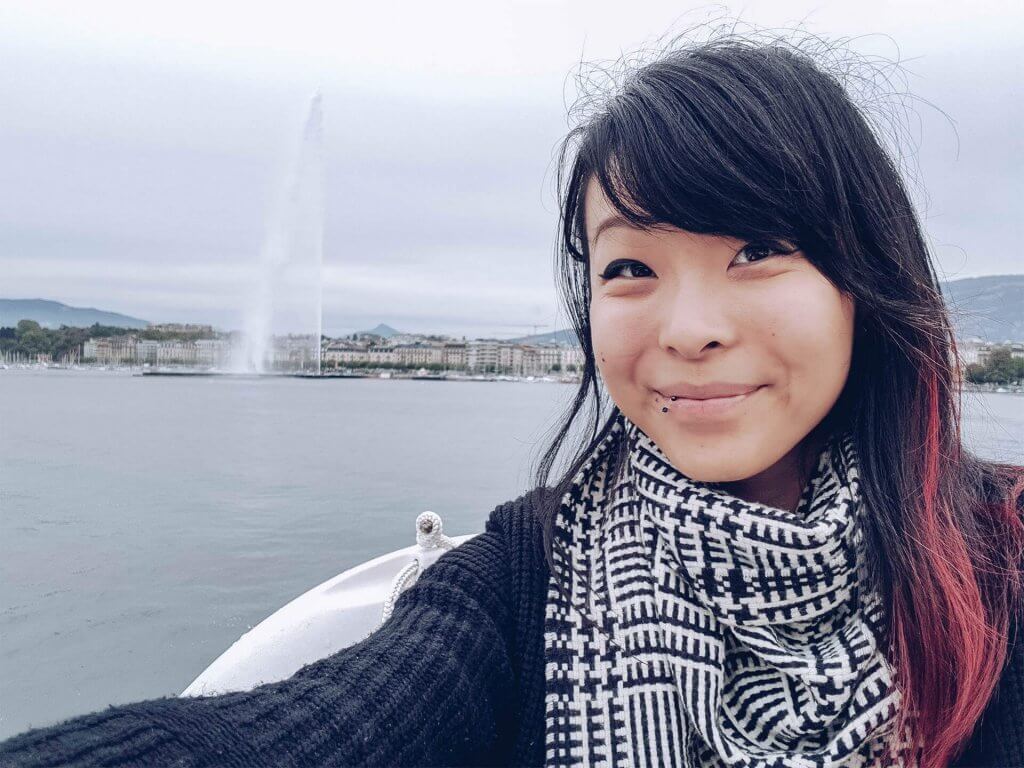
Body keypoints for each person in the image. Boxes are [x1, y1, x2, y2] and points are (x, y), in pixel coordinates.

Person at [2, 24, 1023, 768]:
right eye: (629, 269)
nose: (685, 327)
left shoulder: (1005, 558)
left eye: (756, 249)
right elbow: (290, 733)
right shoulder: (518, 582)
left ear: (865, 279)